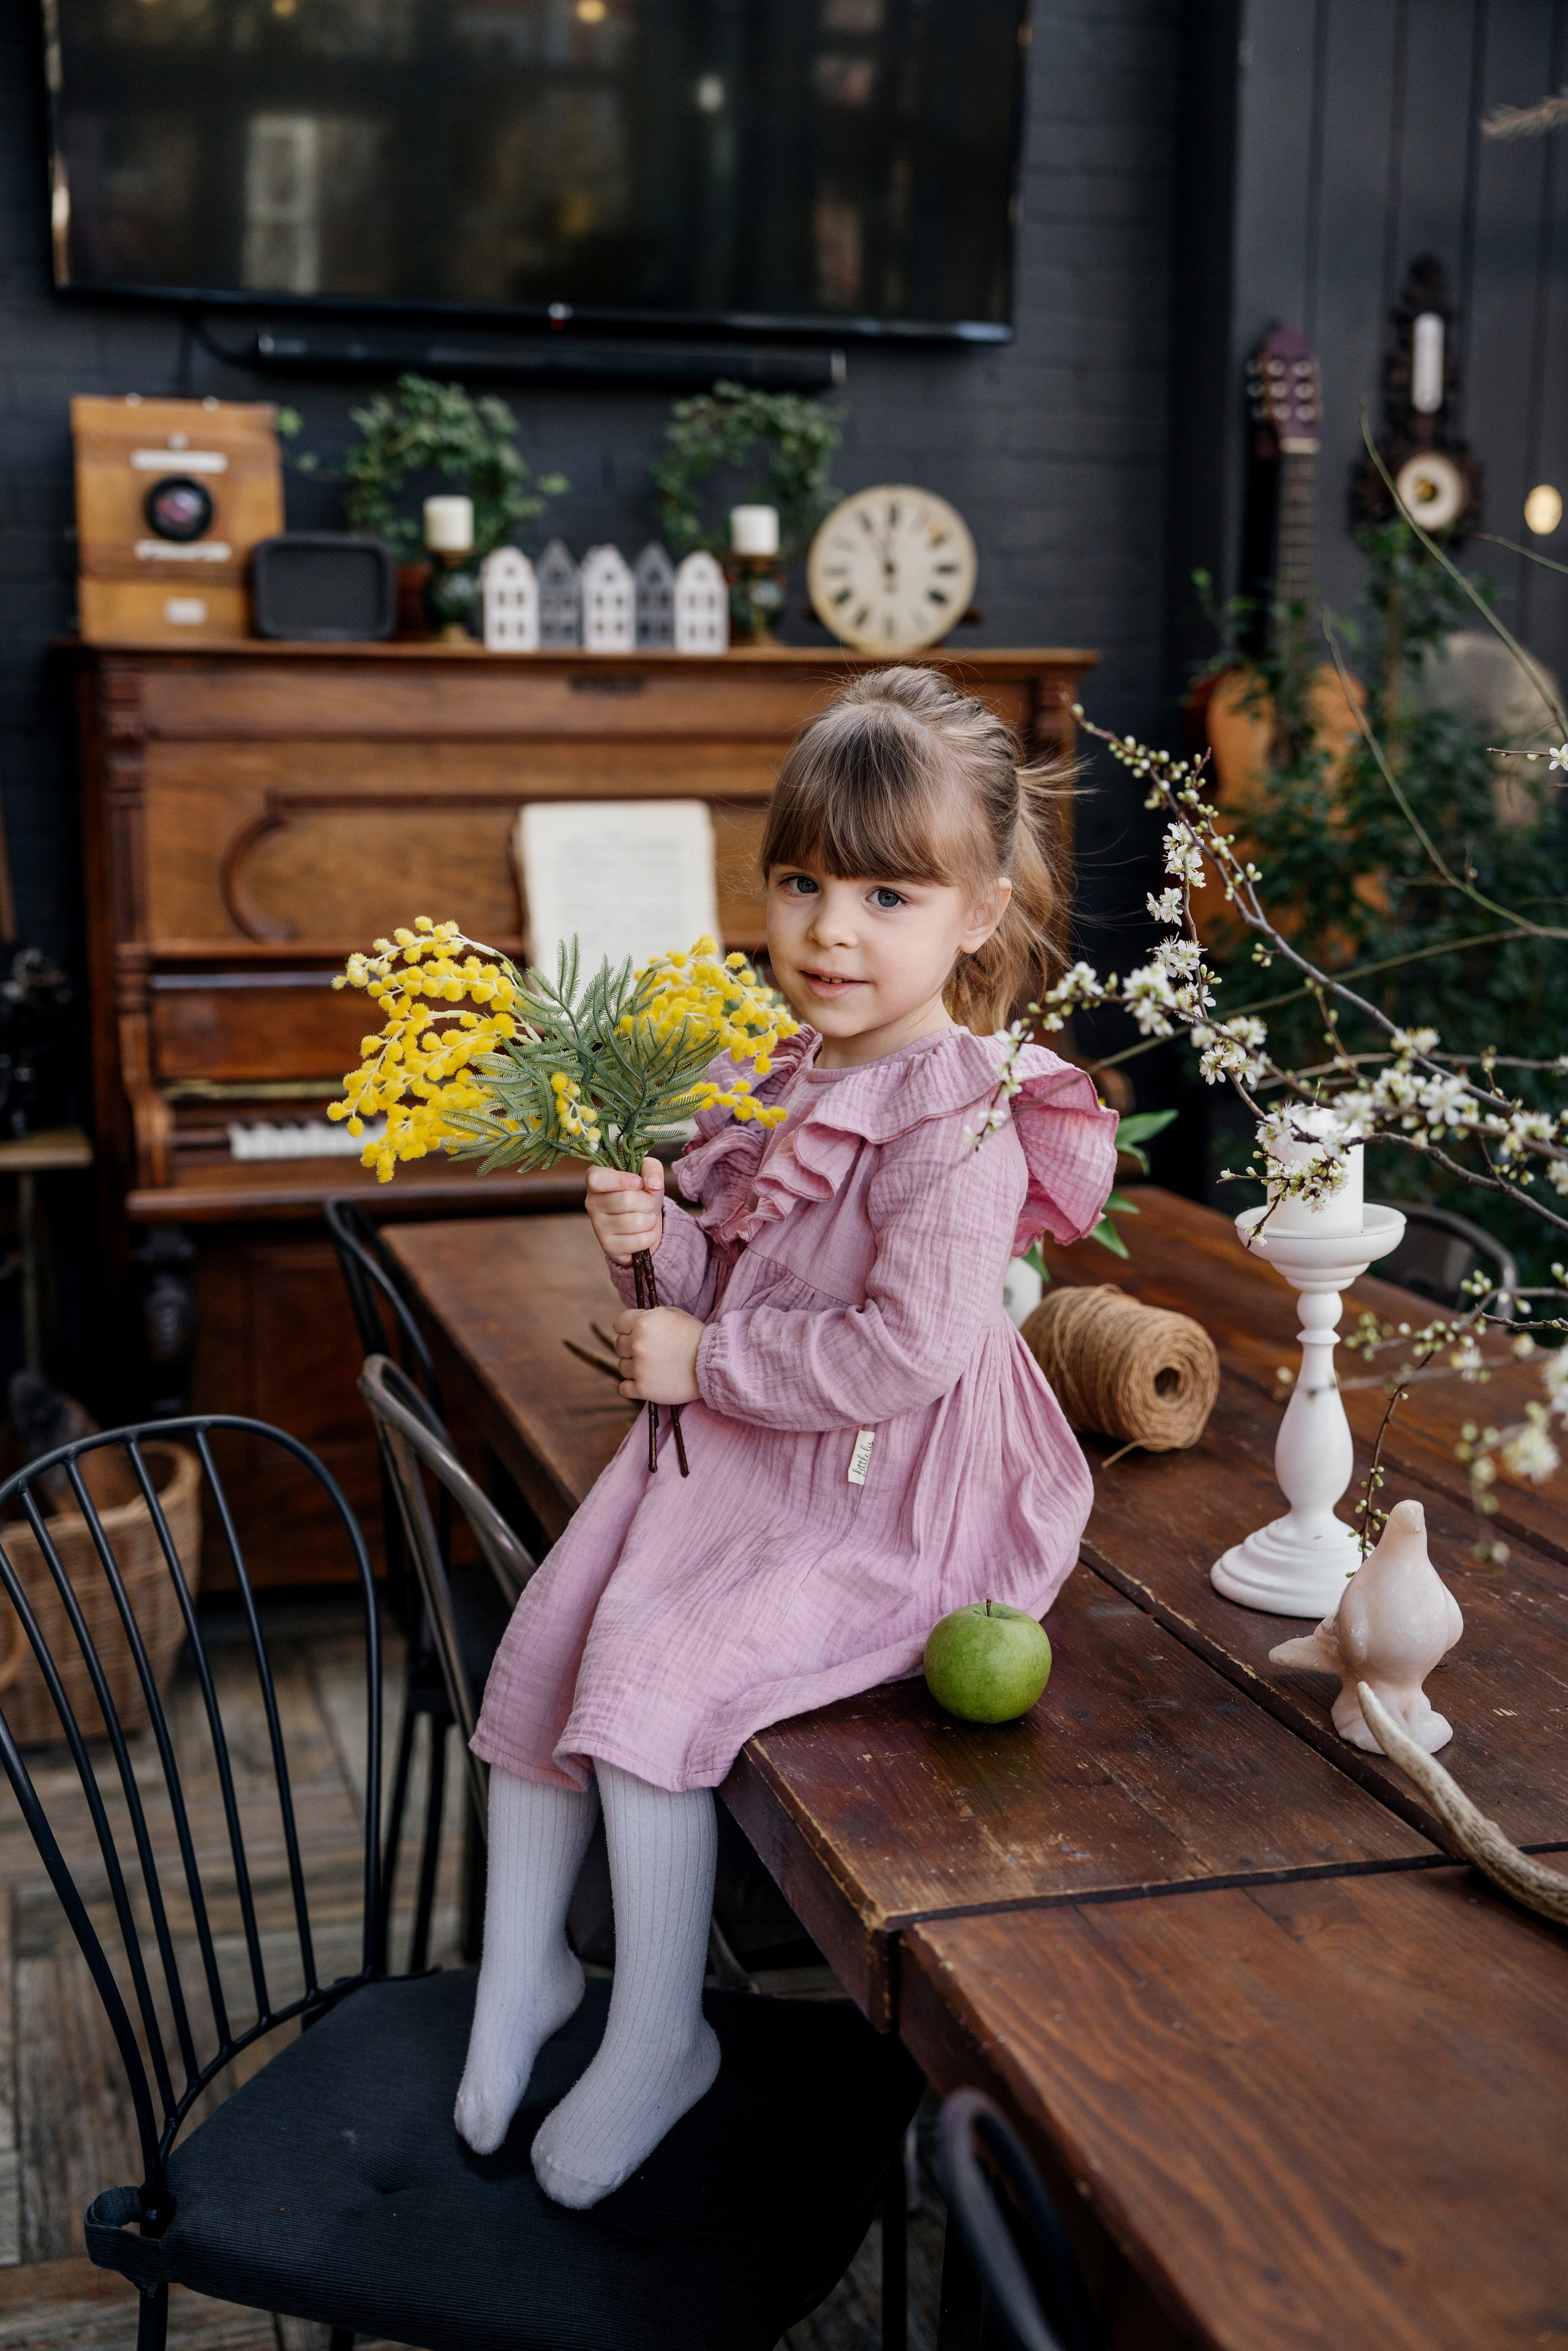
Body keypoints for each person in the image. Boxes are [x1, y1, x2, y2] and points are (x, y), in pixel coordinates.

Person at [456, 666, 1118, 2205]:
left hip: (891, 1485)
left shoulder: (954, 1117)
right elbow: (725, 1275)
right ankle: (523, 1977)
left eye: (888, 893)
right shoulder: (786, 1071)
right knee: (547, 1640)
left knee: (651, 1676)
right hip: (760, 1445)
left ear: (977, 914)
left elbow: (903, 1352)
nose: (830, 927)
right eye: (803, 880)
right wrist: (649, 1242)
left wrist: (702, 1351)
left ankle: (656, 2031)